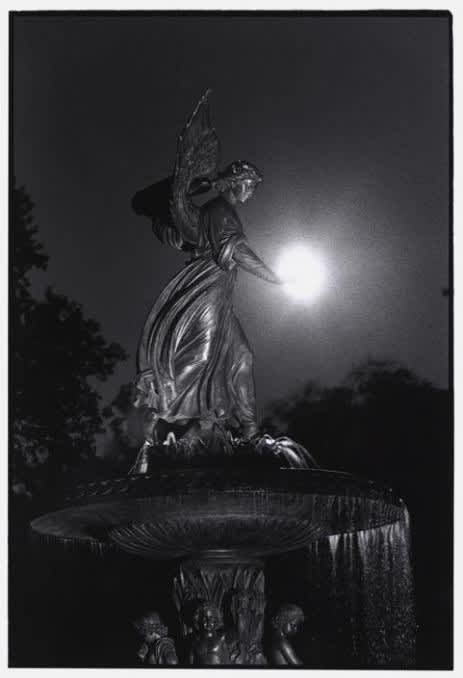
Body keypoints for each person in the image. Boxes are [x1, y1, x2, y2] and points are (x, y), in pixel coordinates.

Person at [134, 159, 282, 452]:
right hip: (208, 292)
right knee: (199, 358)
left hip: (222, 297)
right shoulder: (219, 211)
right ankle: (157, 415)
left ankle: (250, 429)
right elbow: (237, 251)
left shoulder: (219, 211)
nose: (250, 193)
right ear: (237, 182)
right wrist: (276, 279)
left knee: (243, 358)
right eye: (250, 186)